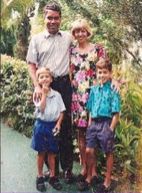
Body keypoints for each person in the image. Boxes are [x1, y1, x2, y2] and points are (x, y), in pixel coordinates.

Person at [26, 1, 74, 183]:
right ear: (44, 18)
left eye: (56, 18)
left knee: (65, 128)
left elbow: (85, 51)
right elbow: (31, 65)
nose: (53, 21)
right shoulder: (36, 40)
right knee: (46, 128)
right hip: (45, 87)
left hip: (63, 86)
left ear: (60, 19)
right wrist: (37, 86)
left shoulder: (68, 37)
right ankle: (51, 170)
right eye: (49, 18)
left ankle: (68, 169)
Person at [70, 19, 107, 183]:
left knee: (93, 134)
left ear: (88, 31)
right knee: (80, 135)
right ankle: (84, 167)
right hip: (77, 98)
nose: (80, 34)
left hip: (93, 97)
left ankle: (94, 171)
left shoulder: (98, 49)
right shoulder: (71, 51)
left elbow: (106, 72)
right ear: (74, 34)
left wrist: (114, 85)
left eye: (82, 30)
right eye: (76, 31)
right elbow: (70, 73)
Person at [80, 58, 121, 191]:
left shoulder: (113, 90)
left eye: (104, 72)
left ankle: (107, 181)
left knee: (108, 152)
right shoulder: (94, 90)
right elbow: (91, 109)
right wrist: (90, 125)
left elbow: (116, 113)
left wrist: (110, 129)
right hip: (94, 124)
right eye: (99, 72)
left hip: (106, 124)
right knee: (89, 150)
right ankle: (90, 176)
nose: (102, 75)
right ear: (96, 73)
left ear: (110, 73)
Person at [31, 67, 65, 191]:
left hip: (53, 126)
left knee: (52, 153)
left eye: (47, 76)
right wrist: (44, 94)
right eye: (41, 77)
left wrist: (59, 124)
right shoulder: (37, 94)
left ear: (51, 79)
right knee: (41, 153)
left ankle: (52, 176)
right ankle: (39, 176)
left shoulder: (57, 95)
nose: (44, 78)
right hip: (41, 125)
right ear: (38, 80)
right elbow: (42, 108)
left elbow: (62, 111)